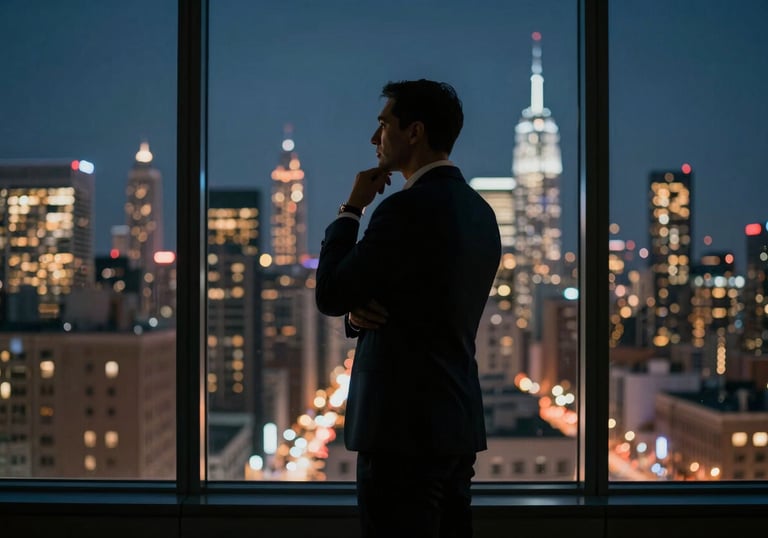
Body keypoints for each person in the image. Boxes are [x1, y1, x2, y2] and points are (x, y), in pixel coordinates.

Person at [315, 79, 501, 538]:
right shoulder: (482, 213)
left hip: (400, 432)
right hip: (456, 426)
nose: (374, 138)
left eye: (383, 125)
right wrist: (361, 316)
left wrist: (351, 208)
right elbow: (431, 301)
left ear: (414, 132)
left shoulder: (402, 210)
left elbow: (330, 293)